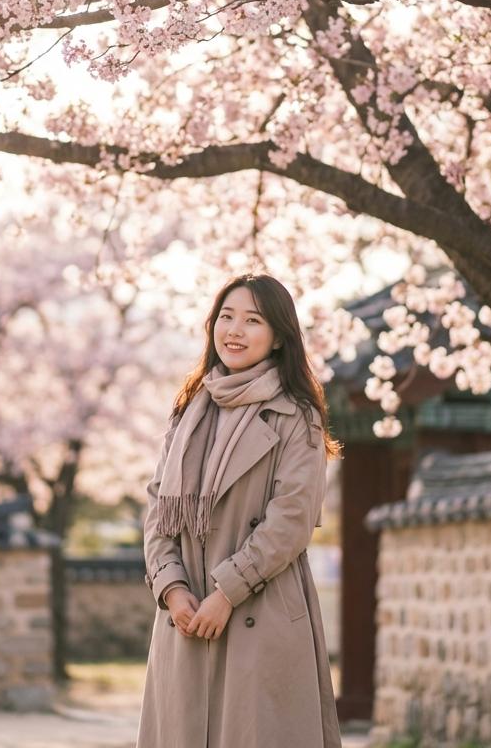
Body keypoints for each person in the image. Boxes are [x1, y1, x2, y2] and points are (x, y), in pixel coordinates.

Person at [138, 273, 344, 748]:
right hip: (184, 611)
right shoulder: (188, 411)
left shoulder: (299, 415)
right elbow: (157, 509)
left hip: (259, 604)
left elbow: (290, 521)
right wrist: (171, 588)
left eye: (253, 320)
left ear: (277, 338)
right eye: (226, 317)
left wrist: (226, 592)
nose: (235, 330)